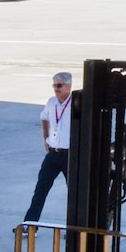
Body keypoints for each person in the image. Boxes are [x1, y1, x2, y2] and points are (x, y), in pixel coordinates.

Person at [23, 72, 75, 224]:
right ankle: (30, 223)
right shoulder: (51, 102)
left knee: (74, 194)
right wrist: (45, 138)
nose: (56, 89)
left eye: (59, 85)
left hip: (69, 155)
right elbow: (44, 117)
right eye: (54, 85)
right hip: (53, 153)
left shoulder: (75, 104)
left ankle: (73, 226)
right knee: (40, 189)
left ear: (69, 86)